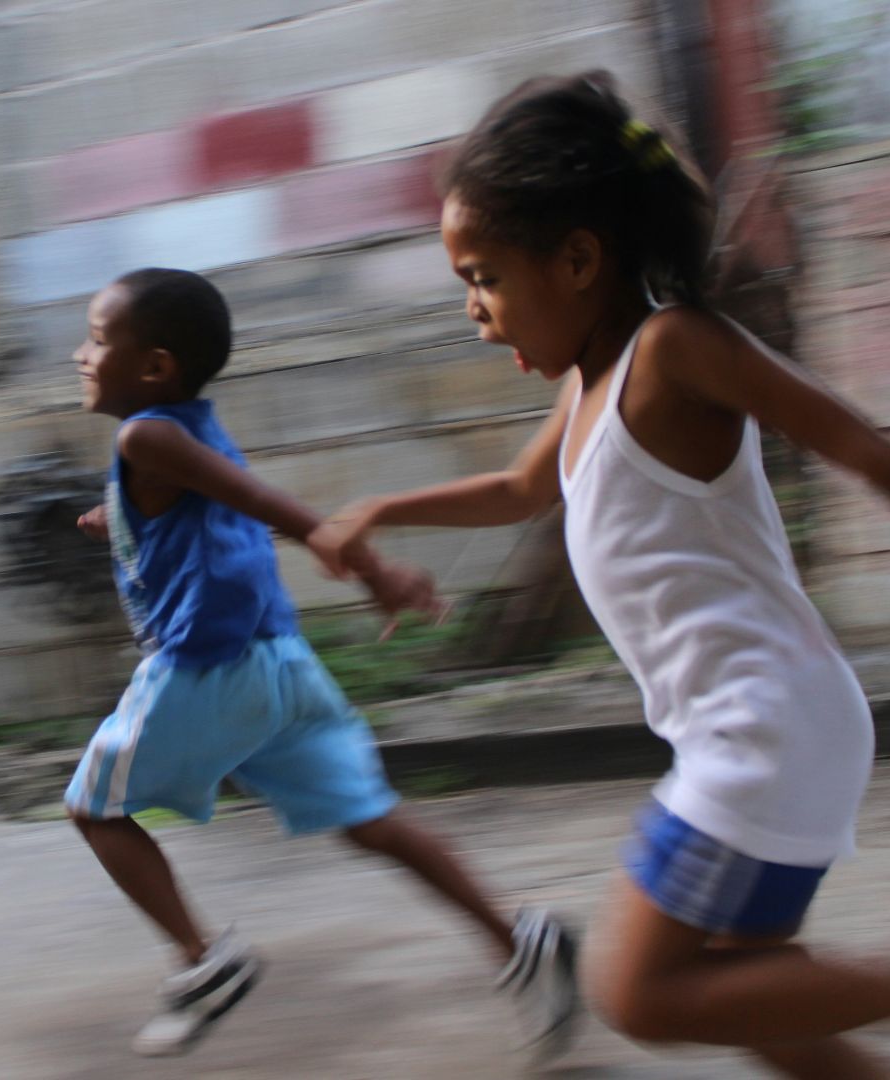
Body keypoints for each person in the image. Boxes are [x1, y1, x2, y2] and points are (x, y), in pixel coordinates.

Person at [312, 73, 890, 1079]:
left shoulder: (673, 350)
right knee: (760, 1008)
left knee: (633, 989)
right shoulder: (590, 385)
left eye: (484, 276)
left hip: (762, 727)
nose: (474, 310)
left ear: (578, 258)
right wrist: (381, 511)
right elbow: (520, 488)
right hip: (758, 724)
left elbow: (864, 448)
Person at [63, 267, 580, 1059]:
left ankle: (203, 963)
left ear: (155, 367)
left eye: (98, 339)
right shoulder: (181, 430)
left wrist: (369, 563)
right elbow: (208, 504)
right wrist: (121, 518)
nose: (81, 353)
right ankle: (517, 938)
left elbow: (266, 504)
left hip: (207, 670)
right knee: (369, 816)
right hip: (281, 664)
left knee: (95, 809)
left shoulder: (145, 436)